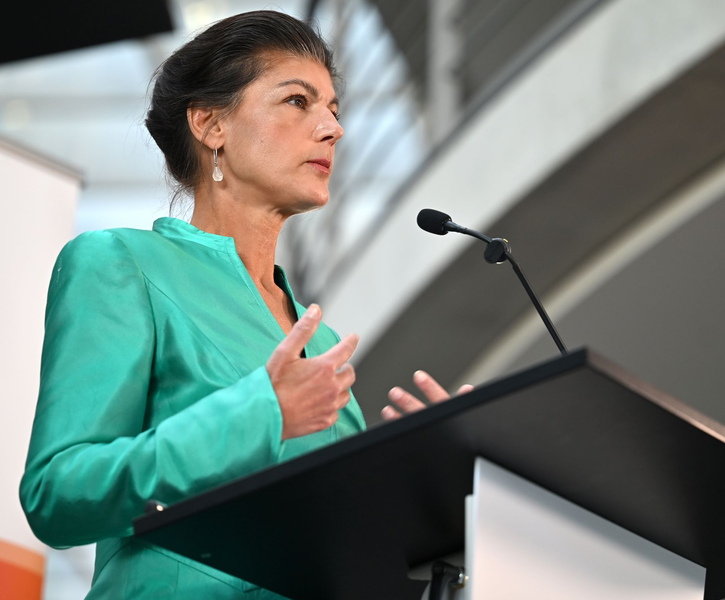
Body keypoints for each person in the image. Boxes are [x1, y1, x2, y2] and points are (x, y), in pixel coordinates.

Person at [19, 10, 471, 600]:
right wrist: (259, 415)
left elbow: (340, 543)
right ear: (210, 125)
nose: (332, 128)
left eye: (334, 109)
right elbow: (58, 495)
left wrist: (432, 477)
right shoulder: (121, 263)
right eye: (297, 101)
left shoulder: (325, 344)